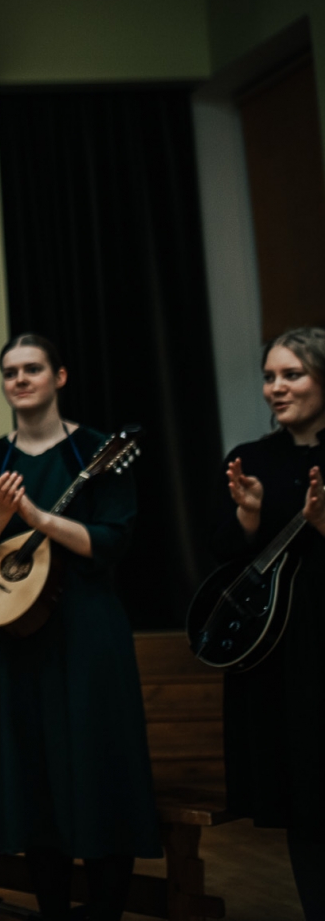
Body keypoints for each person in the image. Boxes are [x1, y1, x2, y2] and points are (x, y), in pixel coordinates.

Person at [0, 334, 158, 921]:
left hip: (87, 631)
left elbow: (112, 541)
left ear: (59, 376)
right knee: (32, 775)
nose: (20, 379)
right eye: (10, 371)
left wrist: (37, 517)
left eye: (32, 369)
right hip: (12, 637)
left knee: (98, 765)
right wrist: (0, 510)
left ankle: (107, 909)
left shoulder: (98, 450)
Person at [215, 327, 325, 920]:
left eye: (292, 374)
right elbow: (226, 561)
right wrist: (250, 519)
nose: (276, 388)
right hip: (282, 650)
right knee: (305, 795)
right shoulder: (251, 459)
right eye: (269, 377)